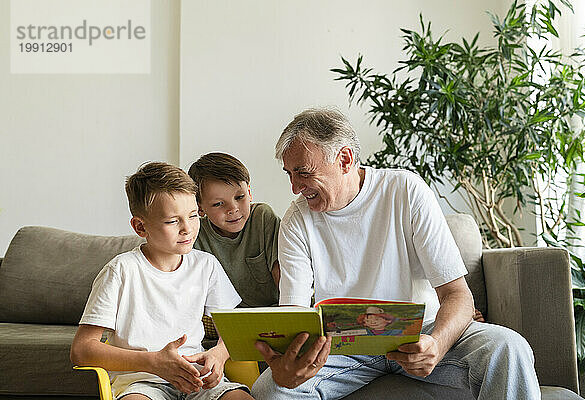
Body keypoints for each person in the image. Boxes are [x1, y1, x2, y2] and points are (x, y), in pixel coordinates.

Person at [250, 108, 540, 399]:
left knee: (508, 347)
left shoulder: (406, 190)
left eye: (303, 172)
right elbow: (295, 314)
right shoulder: (295, 220)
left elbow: (458, 295)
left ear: (345, 160)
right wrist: (288, 368)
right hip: (339, 349)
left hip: (421, 333)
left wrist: (436, 345)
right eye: (289, 174)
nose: (295, 187)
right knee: (269, 390)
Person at [70, 162, 253, 400]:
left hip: (196, 379)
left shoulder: (206, 266)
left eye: (193, 216)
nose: (187, 228)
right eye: (172, 221)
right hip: (140, 382)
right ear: (140, 226)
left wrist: (219, 355)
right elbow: (82, 350)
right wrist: (153, 362)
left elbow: (232, 331)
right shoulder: (120, 271)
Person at [188, 152, 280, 308]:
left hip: (272, 311)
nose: (233, 209)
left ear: (249, 193)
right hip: (223, 319)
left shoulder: (262, 218)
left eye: (240, 197)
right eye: (218, 204)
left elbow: (284, 276)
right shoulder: (195, 234)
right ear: (199, 208)